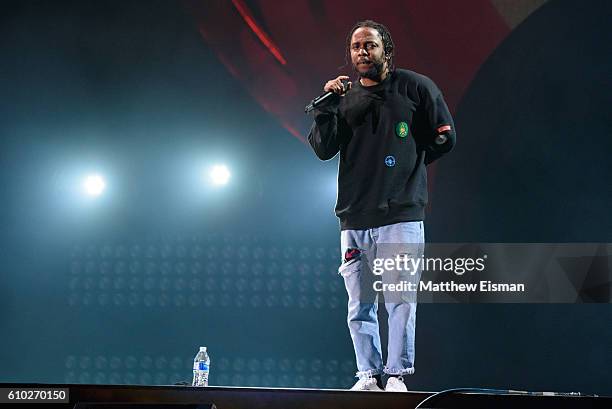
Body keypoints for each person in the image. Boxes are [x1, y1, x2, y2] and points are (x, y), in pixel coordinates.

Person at [307, 20, 456, 392]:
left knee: (400, 299)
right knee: (359, 303)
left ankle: (396, 375)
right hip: (354, 216)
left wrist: (409, 168)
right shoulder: (343, 100)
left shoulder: (415, 87)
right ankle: (367, 375)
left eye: (370, 45)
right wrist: (326, 108)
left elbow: (445, 136)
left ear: (386, 50)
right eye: (356, 46)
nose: (362, 52)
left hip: (401, 216)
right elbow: (323, 150)